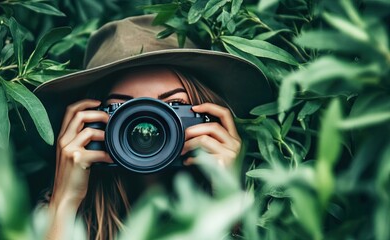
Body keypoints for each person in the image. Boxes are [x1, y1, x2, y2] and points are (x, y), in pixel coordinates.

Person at [34, 15, 272, 240]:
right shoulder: (49, 219)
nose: (146, 123)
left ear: (206, 115)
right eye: (121, 108)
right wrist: (64, 202)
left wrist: (230, 204)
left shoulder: (271, 205)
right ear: (90, 122)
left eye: (173, 105)